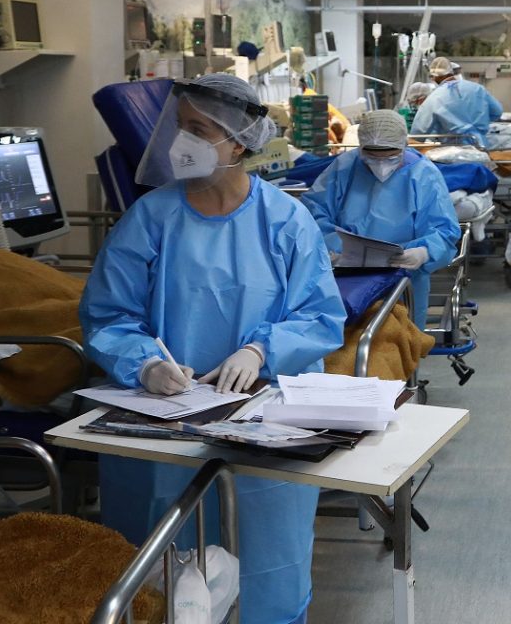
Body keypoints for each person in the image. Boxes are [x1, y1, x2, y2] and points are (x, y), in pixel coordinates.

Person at [80, 74, 346, 624]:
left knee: (265, 564)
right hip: (168, 421)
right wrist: (144, 363)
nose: (184, 143)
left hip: (264, 420)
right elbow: (108, 314)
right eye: (181, 128)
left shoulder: (286, 221)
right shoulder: (152, 218)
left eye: (200, 130)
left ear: (240, 143)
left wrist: (261, 352)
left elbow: (320, 316)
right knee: (162, 572)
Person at [302, 109, 461, 329]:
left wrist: (425, 252)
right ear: (361, 147)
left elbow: (444, 230)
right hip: (346, 275)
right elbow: (313, 213)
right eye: (372, 155)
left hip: (404, 277)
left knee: (400, 347)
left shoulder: (422, 174)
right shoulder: (344, 168)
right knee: (346, 346)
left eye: (390, 155)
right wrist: (333, 247)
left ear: (404, 145)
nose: (381, 163)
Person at [410, 56, 504, 146]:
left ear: (433, 77)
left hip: (452, 150)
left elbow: (418, 133)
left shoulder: (434, 98)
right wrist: (479, 123)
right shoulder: (477, 88)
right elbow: (497, 112)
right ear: (451, 71)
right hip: (481, 146)